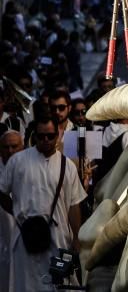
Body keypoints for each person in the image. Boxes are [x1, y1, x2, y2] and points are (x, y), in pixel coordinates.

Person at [0, 116, 86, 292]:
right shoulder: (17, 161)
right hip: (25, 239)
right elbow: (1, 192)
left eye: (50, 135)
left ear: (58, 134)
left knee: (60, 285)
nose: (46, 140)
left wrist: (76, 237)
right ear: (34, 136)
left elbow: (73, 205)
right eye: (41, 136)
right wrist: (18, 214)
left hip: (58, 238)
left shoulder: (67, 165)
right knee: (26, 285)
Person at [0, 131, 23, 292]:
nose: (10, 151)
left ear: (22, 148)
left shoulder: (31, 168)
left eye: (14, 147)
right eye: (6, 147)